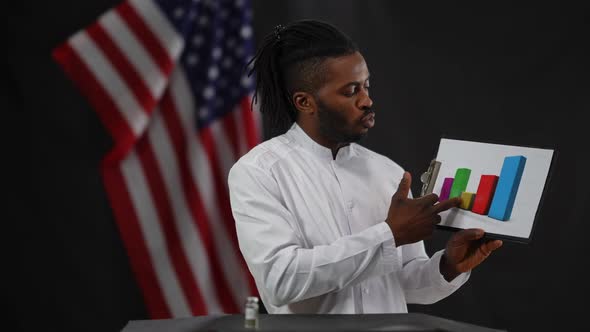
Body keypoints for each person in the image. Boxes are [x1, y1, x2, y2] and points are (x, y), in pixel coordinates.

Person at [228, 19, 502, 314]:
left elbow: (403, 283)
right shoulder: (259, 172)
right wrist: (389, 235)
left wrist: (448, 266)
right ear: (305, 102)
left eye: (367, 86)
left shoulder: (388, 172)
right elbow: (281, 280)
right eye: (350, 91)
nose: (367, 100)